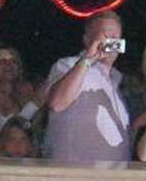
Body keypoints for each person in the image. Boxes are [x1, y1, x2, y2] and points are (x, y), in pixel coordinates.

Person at [43, 10, 131, 164]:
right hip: (73, 172)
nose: (111, 42)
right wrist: (87, 60)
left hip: (112, 174)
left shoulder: (116, 80)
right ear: (87, 40)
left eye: (116, 37)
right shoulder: (69, 65)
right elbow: (56, 103)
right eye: (105, 36)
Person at [0, 45, 40, 130]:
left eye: (13, 61)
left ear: (19, 69)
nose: (8, 64)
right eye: (1, 61)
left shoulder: (30, 97)